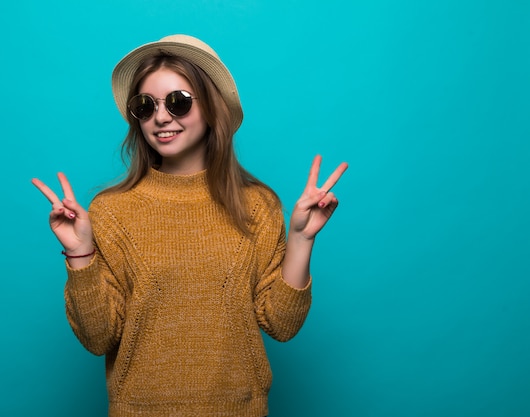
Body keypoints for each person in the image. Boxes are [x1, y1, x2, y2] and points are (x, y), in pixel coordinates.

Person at [32, 34, 347, 417]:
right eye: (145, 106)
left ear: (213, 108)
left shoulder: (258, 206)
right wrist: (80, 253)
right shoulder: (112, 211)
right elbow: (98, 338)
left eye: (178, 102)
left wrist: (300, 239)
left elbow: (282, 326)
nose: (161, 117)